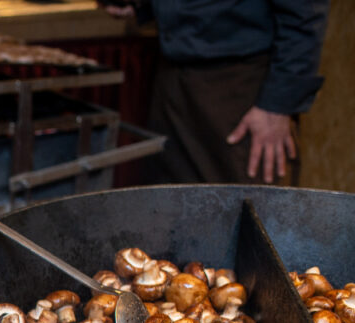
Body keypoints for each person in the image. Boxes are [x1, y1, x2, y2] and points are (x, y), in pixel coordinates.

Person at [102, 0, 328, 186]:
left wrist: (277, 104)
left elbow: (305, 14)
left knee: (246, 211)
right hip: (172, 76)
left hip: (241, 86)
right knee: (172, 207)